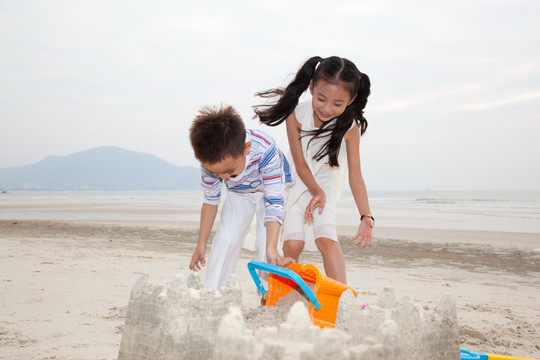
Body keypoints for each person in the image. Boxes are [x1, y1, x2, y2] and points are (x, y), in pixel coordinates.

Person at [254, 56, 374, 284]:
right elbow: (299, 164)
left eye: (337, 104)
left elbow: (355, 175)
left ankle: (340, 296)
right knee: (293, 243)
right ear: (311, 87)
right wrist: (314, 190)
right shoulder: (297, 114)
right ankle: (279, 293)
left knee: (325, 238)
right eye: (321, 99)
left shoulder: (350, 128)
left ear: (351, 99)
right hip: (297, 183)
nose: (327, 108)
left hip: (326, 184)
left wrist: (366, 215)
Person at [189, 104, 295, 290]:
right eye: (217, 173)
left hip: (271, 188)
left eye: (229, 170)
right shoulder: (211, 160)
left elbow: (273, 202)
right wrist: (201, 243)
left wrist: (271, 248)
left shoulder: (264, 150)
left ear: (246, 148)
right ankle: (213, 294)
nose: (223, 177)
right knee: (226, 237)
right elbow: (210, 201)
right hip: (238, 191)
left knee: (267, 244)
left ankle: (269, 295)